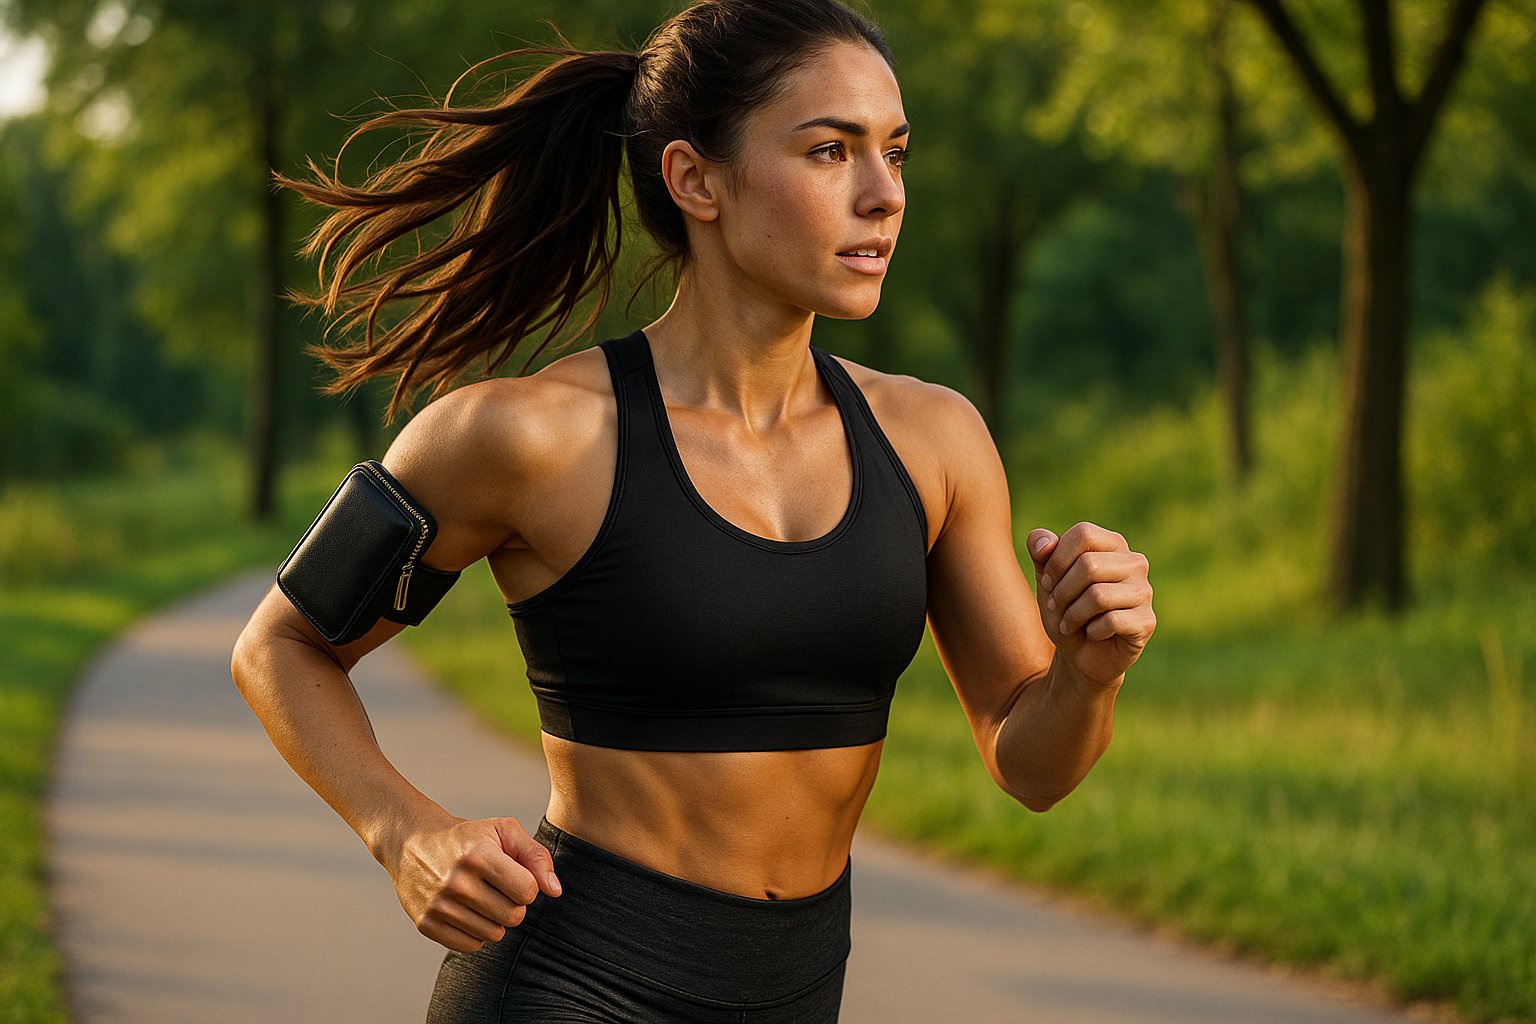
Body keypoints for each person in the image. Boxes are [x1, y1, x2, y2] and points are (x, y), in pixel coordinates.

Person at [230, 1, 1157, 1021]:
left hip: (798, 992)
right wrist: (404, 831)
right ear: (693, 178)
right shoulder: (528, 437)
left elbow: (1031, 763)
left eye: (894, 151)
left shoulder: (934, 440)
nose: (883, 194)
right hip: (568, 987)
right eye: (828, 151)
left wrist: (1087, 667)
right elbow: (280, 646)